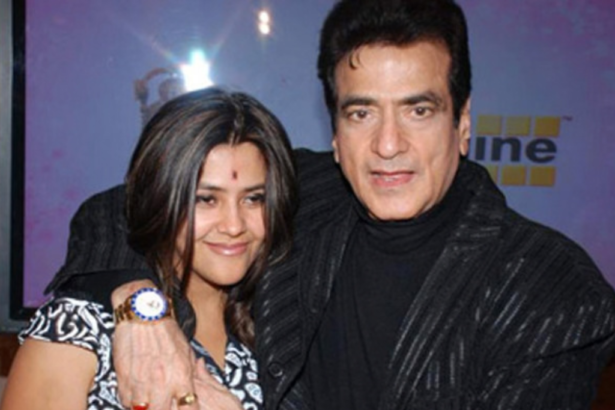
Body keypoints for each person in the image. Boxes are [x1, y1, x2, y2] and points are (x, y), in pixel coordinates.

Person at [21, 0, 615, 409]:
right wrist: (140, 306)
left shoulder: (553, 291)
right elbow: (133, 204)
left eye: (418, 109)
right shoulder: (309, 196)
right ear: (335, 129)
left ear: (462, 123)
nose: (388, 144)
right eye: (362, 112)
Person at [0, 87, 297, 410]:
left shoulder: (290, 322)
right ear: (160, 199)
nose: (234, 225)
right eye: (205, 199)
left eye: (254, 199)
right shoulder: (79, 328)